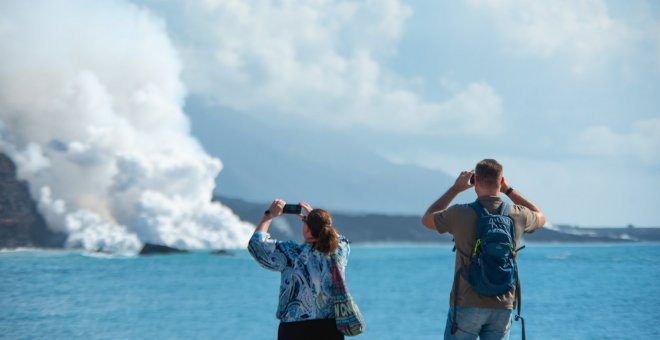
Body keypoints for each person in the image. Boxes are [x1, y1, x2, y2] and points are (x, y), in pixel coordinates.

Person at [421, 159, 546, 340]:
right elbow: (540, 216)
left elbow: (427, 219)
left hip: (466, 302)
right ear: (501, 181)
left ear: (475, 182)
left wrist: (455, 189)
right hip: (503, 305)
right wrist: (508, 190)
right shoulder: (518, 214)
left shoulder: (459, 213)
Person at [248, 199, 350, 340]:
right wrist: (318, 219)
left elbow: (257, 245)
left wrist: (269, 215)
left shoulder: (292, 254)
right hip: (331, 327)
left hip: (295, 329)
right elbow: (338, 238)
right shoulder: (339, 251)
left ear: (306, 229)